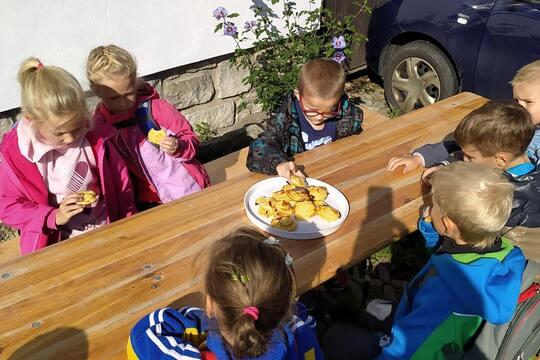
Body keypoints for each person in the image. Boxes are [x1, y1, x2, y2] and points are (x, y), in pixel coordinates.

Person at [324, 162, 526, 359]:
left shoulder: (445, 295)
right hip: (427, 319)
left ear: (447, 224)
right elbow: (447, 255)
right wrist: (431, 228)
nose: (430, 207)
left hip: (418, 343)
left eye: (434, 205)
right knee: (374, 307)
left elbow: (409, 351)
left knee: (335, 338)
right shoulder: (502, 252)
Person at [0, 58, 136, 255]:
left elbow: (122, 184)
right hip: (55, 244)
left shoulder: (96, 139)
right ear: (32, 121)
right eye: (60, 133)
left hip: (106, 229)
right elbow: (8, 206)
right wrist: (53, 217)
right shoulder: (21, 156)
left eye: (77, 126)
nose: (71, 138)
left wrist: (130, 222)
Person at [128, 227, 323, 359]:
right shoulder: (302, 335)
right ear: (285, 306)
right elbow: (304, 320)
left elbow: (143, 334)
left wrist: (199, 319)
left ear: (210, 304)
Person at [87, 45, 209, 209]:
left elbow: (190, 138)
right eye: (114, 98)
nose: (123, 103)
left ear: (135, 81)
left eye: (129, 93)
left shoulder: (155, 109)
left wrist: (178, 145)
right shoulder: (100, 126)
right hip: (145, 203)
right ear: (96, 91)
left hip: (185, 190)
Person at [387, 59, 540, 173]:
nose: (519, 106)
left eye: (527, 101)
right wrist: (421, 158)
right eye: (516, 99)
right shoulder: (507, 122)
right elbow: (466, 146)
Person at [246, 58, 363, 178]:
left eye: (329, 110)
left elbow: (356, 129)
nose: (319, 117)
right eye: (312, 110)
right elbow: (259, 148)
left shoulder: (345, 115)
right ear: (298, 95)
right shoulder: (286, 120)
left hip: (332, 173)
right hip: (299, 177)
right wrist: (279, 163)